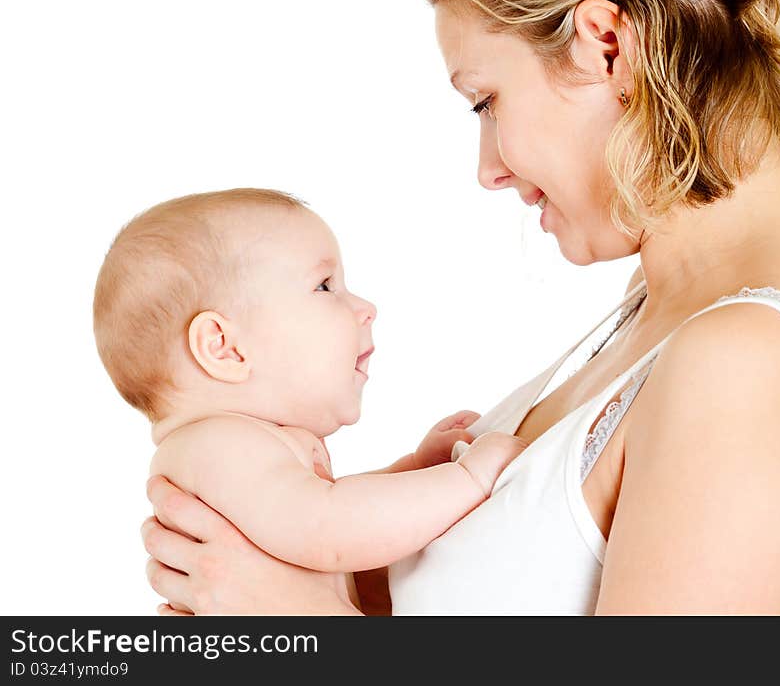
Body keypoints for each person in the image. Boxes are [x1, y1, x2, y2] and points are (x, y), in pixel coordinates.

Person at [141, 0, 780, 615]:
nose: (489, 169)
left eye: (487, 101)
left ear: (608, 45)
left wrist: (297, 619)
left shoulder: (744, 369)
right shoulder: (667, 304)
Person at [93, 188, 525, 615]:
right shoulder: (216, 447)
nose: (365, 307)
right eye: (324, 286)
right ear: (225, 348)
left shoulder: (232, 449)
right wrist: (469, 479)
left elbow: (318, 518)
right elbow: (329, 532)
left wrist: (411, 470)